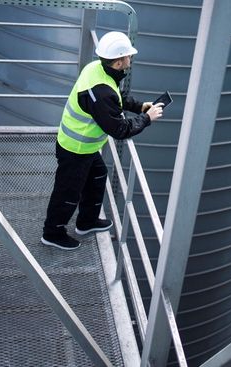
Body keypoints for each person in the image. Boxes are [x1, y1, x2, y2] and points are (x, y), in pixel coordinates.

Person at [41, 31, 163, 250]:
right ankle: (52, 233)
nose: (130, 59)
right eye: (128, 56)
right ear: (118, 62)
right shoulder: (102, 91)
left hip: (84, 147)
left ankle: (86, 222)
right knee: (68, 192)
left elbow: (118, 99)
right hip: (76, 149)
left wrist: (140, 106)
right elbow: (120, 129)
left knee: (98, 175)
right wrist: (147, 119)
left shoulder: (97, 69)